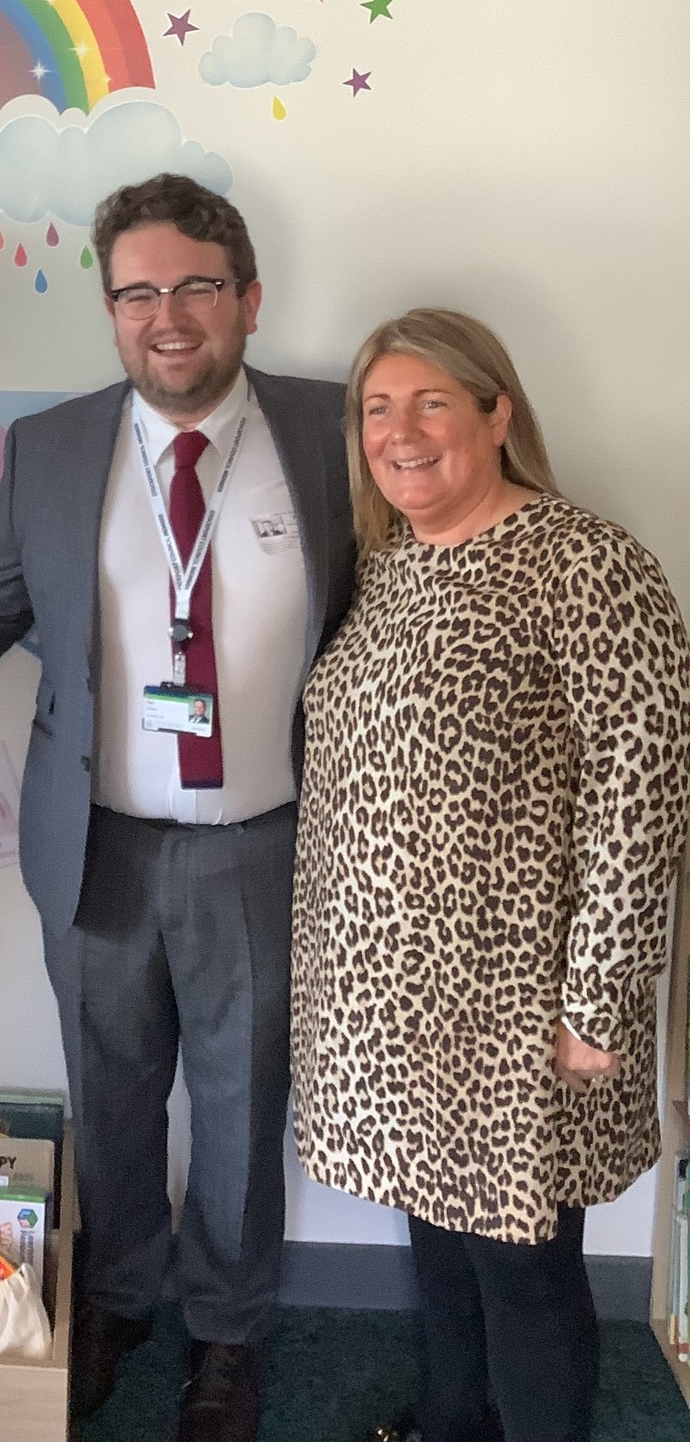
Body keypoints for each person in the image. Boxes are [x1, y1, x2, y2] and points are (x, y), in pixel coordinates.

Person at [0, 172, 357, 1442]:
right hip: (95, 840)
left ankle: (228, 1331)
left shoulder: (332, 431)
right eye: (137, 292)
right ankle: (119, 1294)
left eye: (196, 285)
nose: (168, 315)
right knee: (110, 1090)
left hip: (266, 843)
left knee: (243, 1103)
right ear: (110, 310)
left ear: (249, 297)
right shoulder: (49, 447)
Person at [291, 309, 690, 1442]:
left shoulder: (586, 562)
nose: (400, 432)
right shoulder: (388, 567)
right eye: (378, 408)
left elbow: (644, 789)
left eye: (431, 403)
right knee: (439, 1233)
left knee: (521, 1264)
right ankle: (453, 1420)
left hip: (521, 1005)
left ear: (497, 412)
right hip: (397, 1005)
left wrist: (597, 1000)